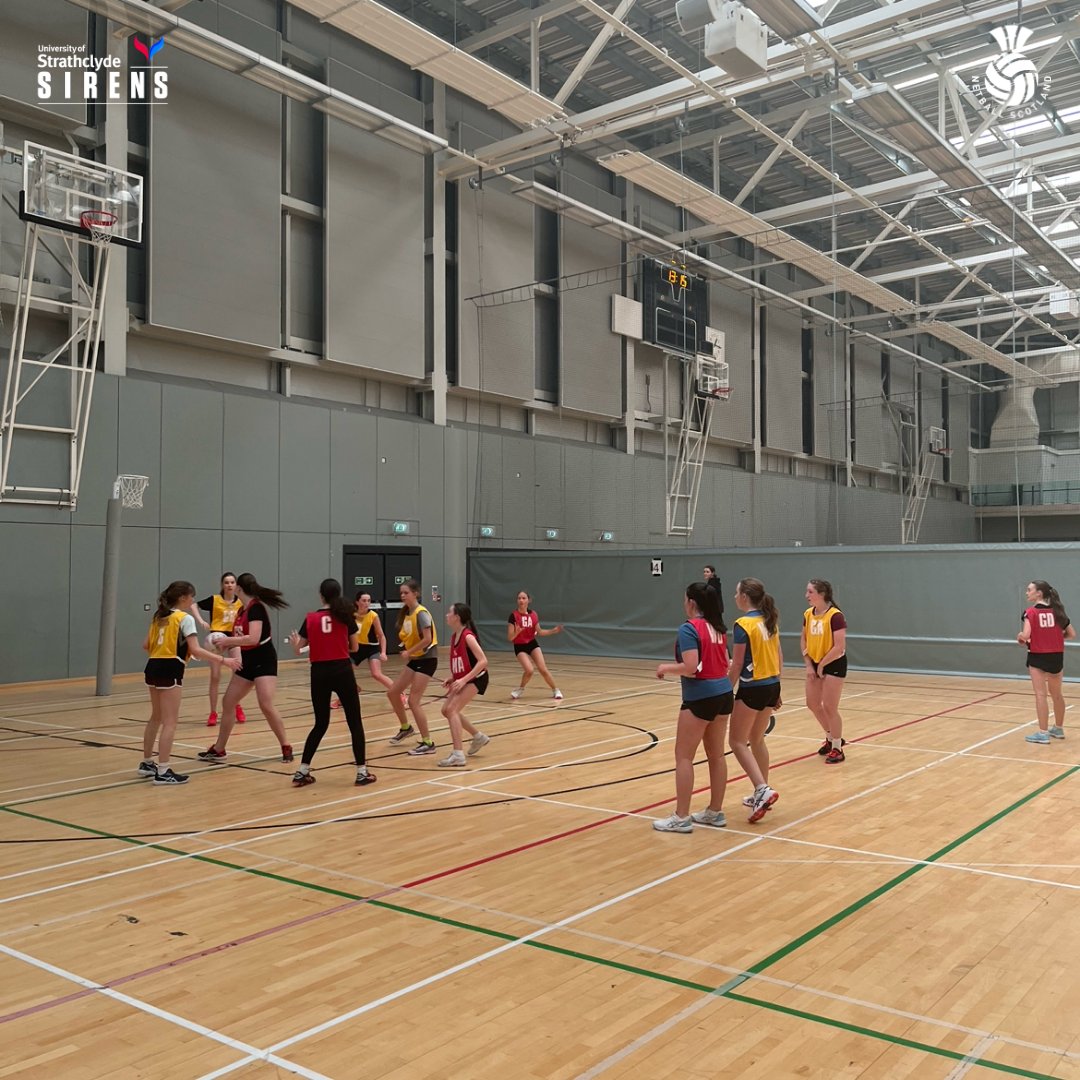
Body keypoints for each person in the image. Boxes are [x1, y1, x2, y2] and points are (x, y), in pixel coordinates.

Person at [652, 582, 733, 833]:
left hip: (701, 696)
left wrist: (666, 668)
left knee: (684, 756)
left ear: (691, 602)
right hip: (724, 693)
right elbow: (727, 662)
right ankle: (714, 811)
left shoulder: (689, 629)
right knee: (717, 755)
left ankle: (681, 816)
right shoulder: (717, 628)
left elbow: (690, 666)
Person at [140, 581, 238, 786]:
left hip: (152, 666)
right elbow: (195, 650)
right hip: (170, 668)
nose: (193, 601)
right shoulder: (184, 618)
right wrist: (223, 660)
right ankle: (163, 770)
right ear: (183, 598)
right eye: (191, 597)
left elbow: (146, 645)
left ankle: (147, 763)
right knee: (170, 722)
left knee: (155, 717)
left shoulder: (159, 616)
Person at [198, 572, 293, 764]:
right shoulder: (242, 611)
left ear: (240, 588)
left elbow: (253, 638)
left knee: (265, 704)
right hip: (248, 661)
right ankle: (219, 749)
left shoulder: (256, 608)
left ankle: (285, 745)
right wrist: (222, 645)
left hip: (264, 660)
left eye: (234, 585)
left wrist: (228, 639)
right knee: (228, 702)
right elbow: (242, 639)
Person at [288, 579, 375, 787]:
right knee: (354, 722)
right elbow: (354, 648)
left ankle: (302, 771)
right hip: (342, 670)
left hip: (318, 673)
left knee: (320, 723)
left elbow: (298, 649)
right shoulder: (345, 616)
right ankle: (361, 772)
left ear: (321, 595)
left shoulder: (311, 619)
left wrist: (297, 644)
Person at [728, 577, 781, 823]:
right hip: (771, 684)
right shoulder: (768, 619)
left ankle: (762, 789)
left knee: (737, 741)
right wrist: (778, 689)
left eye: (736, 593)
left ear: (745, 597)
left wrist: (725, 689)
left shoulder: (743, 624)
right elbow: (777, 655)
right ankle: (762, 790)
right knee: (756, 739)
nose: (734, 597)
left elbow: (737, 663)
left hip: (753, 687)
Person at [1018, 579, 1075, 744]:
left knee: (1041, 695)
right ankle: (1058, 728)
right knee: (1057, 694)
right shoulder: (1058, 612)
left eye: (1029, 590)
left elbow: (1026, 636)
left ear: (1039, 593)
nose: (1027, 593)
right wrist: (1055, 637)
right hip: (1057, 656)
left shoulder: (1030, 612)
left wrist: (1020, 637)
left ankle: (1043, 733)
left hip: (1038, 656)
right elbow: (1071, 634)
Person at [386, 579, 439, 754]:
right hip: (416, 660)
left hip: (427, 659)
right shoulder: (407, 613)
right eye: (401, 593)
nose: (402, 596)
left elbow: (427, 639)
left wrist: (409, 652)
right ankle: (406, 727)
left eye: (406, 592)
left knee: (413, 701)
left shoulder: (421, 613)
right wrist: (406, 648)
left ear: (415, 593)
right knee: (393, 692)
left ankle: (428, 742)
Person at [437, 602, 492, 768]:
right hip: (466, 678)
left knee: (452, 709)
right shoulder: (454, 637)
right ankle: (478, 737)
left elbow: (483, 661)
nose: (446, 615)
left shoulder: (468, 636)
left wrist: (463, 680)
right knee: (446, 710)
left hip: (477, 678)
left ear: (457, 617)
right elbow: (464, 662)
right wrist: (454, 678)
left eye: (449, 612)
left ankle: (458, 755)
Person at [802, 579, 848, 764]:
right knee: (813, 703)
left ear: (821, 594)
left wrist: (821, 665)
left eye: (810, 592)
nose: (807, 596)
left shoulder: (835, 616)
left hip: (833, 663)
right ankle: (830, 737)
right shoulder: (807, 614)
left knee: (830, 707)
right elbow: (803, 640)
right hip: (814, 662)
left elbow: (839, 646)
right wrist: (809, 664)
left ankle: (837, 747)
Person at [193, 572, 246, 727]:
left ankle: (237, 705)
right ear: (222, 585)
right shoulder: (214, 600)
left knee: (238, 673)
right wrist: (201, 620)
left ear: (236, 585)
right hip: (215, 640)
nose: (229, 585)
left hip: (232, 638)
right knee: (215, 676)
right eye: (226, 582)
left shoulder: (240, 602)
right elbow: (193, 604)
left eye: (232, 582)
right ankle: (213, 712)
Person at [507, 591, 564, 701]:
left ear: (529, 600)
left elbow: (540, 632)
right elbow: (510, 638)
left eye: (523, 598)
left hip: (532, 643)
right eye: (519, 598)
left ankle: (555, 690)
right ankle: (520, 689)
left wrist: (553, 631)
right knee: (529, 670)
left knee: (543, 669)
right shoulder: (513, 616)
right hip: (519, 645)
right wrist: (517, 632)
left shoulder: (533, 614)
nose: (521, 600)